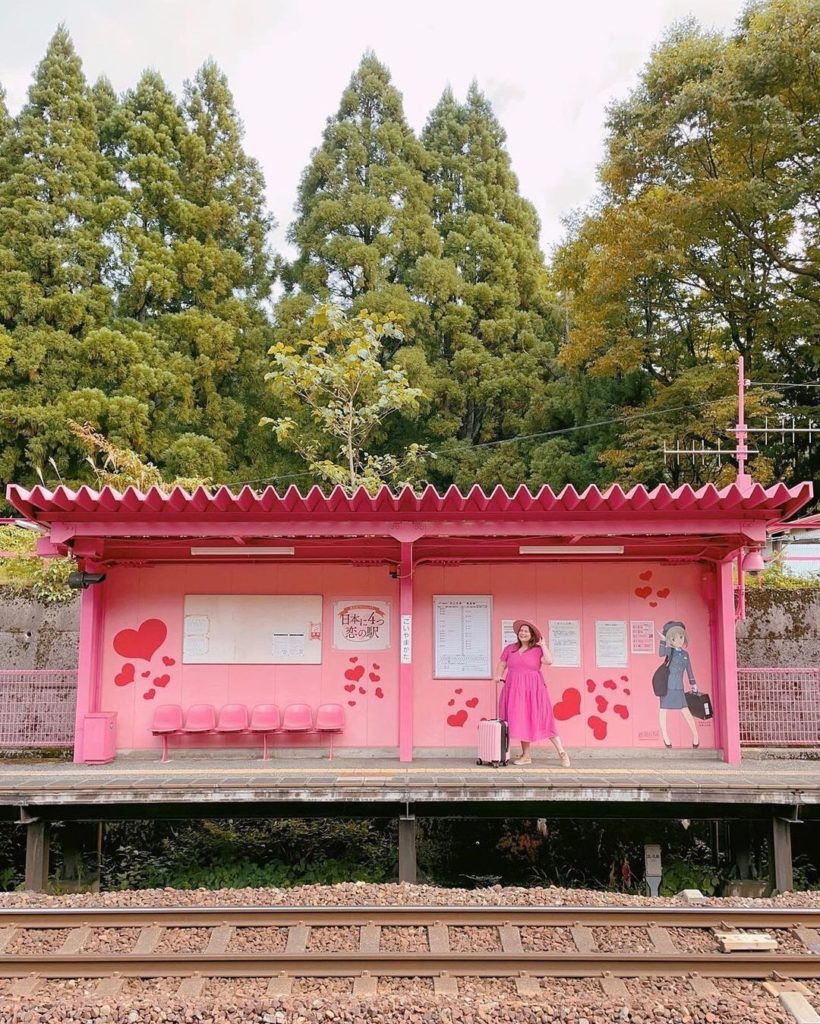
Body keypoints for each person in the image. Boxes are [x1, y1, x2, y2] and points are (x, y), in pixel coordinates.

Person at [495, 619, 571, 767]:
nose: (523, 633)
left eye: (526, 631)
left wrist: (543, 645)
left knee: (544, 719)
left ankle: (562, 753)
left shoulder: (537, 650)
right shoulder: (510, 648)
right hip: (514, 689)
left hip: (534, 691)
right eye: (521, 631)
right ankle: (526, 756)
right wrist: (498, 675)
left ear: (532, 635)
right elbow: (502, 664)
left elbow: (549, 661)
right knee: (522, 720)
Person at [657, 620, 700, 749]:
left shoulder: (685, 655)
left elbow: (689, 670)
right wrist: (663, 640)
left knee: (685, 711)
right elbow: (661, 653)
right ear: (671, 639)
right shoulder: (670, 652)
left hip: (679, 687)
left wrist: (693, 684)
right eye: (675, 638)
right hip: (667, 686)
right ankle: (665, 737)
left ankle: (696, 736)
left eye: (681, 637)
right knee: (663, 710)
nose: (679, 640)